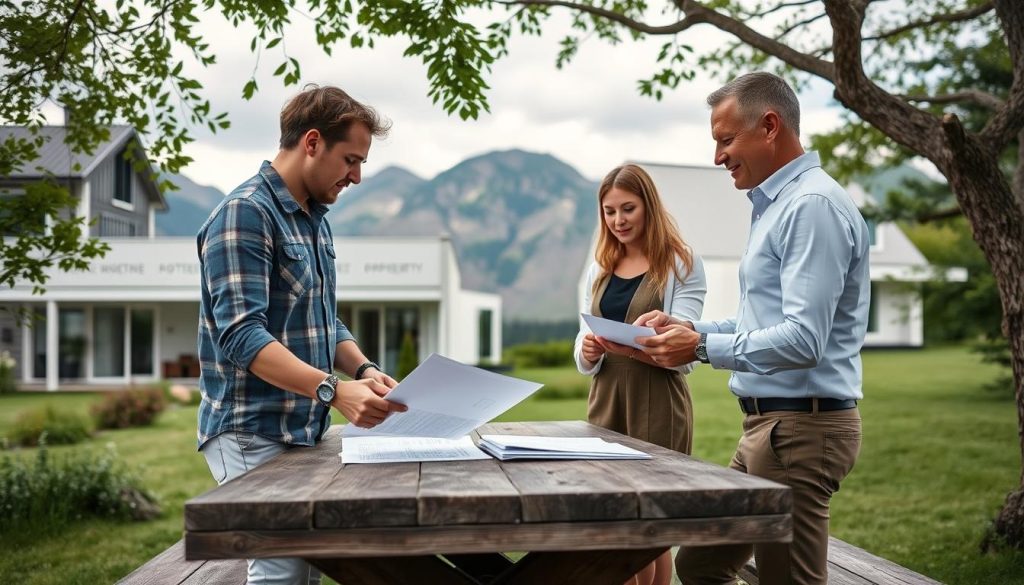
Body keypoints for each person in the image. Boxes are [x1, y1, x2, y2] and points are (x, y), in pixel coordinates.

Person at [634, 72, 869, 585]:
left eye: (725, 140)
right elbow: (760, 322)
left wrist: (700, 347)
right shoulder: (778, 206)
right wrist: (690, 328)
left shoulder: (812, 207)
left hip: (799, 430)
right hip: (767, 429)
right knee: (702, 564)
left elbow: (804, 340)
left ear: (769, 126)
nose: (718, 157)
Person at [195, 84, 406, 585]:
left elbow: (324, 318)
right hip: (250, 430)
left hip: (301, 429)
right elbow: (243, 336)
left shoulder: (315, 220)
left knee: (307, 569)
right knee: (282, 573)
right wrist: (335, 391)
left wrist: (366, 371)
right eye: (351, 159)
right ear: (312, 142)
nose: (357, 176)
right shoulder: (244, 212)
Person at [574, 163, 707, 585]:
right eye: (609, 212)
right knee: (613, 521)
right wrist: (589, 347)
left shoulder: (681, 263)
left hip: (657, 401)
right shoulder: (600, 266)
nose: (618, 221)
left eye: (628, 208)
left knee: (651, 527)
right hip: (606, 399)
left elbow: (685, 353)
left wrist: (645, 340)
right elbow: (581, 348)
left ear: (648, 206)